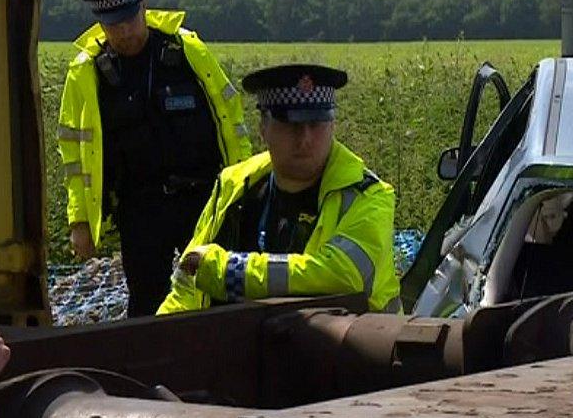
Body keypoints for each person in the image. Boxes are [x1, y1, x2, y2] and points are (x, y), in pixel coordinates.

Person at [57, 0, 252, 317]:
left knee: (219, 294)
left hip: (202, 199)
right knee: (147, 303)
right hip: (139, 206)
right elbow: (74, 155)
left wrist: (245, 189)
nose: (125, 32)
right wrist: (80, 223)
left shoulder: (186, 50)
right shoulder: (87, 72)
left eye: (131, 20)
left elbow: (230, 119)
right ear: (101, 25)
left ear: (143, 9)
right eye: (114, 25)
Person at [157, 64, 402, 315]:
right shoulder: (235, 184)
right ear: (264, 128)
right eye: (291, 125)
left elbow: (343, 276)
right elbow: (188, 284)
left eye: (316, 124)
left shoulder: (368, 195)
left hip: (343, 351)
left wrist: (231, 273)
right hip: (240, 347)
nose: (305, 139)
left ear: (332, 125)